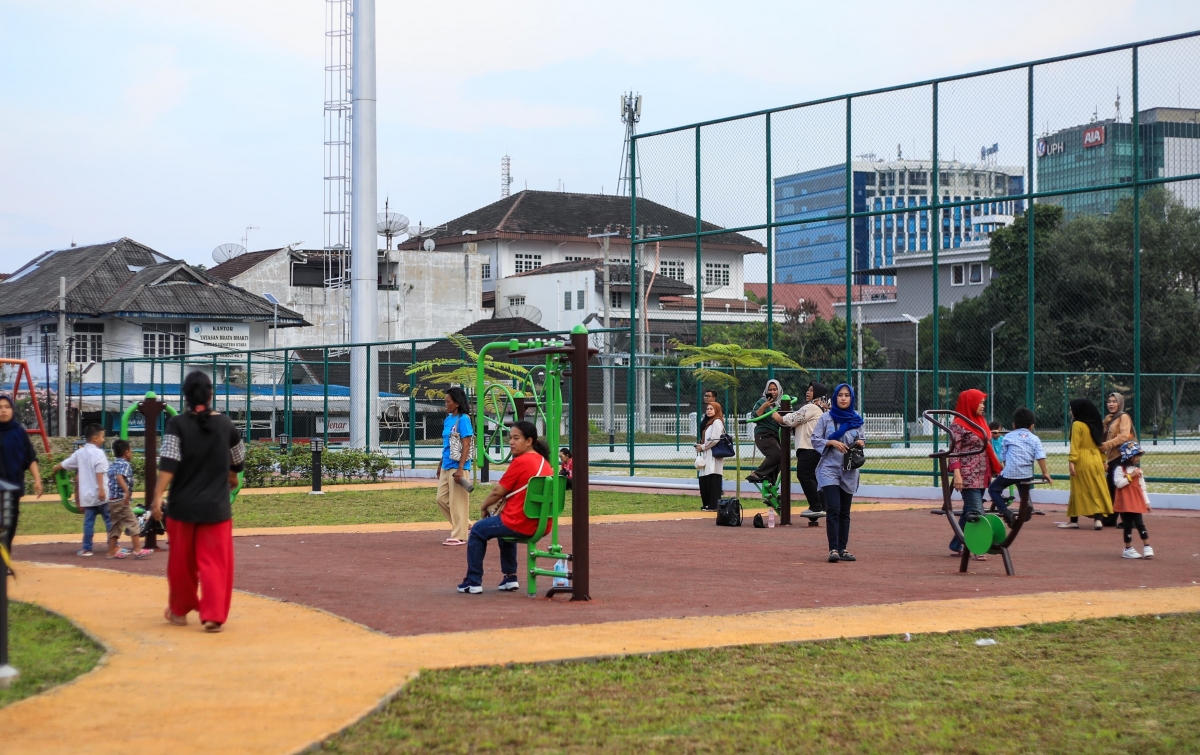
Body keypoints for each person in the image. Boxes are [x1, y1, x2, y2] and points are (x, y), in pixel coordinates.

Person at [151, 371, 246, 632]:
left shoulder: (177, 425)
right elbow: (238, 461)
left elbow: (169, 463)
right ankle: (213, 615)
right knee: (215, 563)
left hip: (182, 508)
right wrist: (231, 476)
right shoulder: (226, 425)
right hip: (216, 509)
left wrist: (157, 496)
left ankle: (180, 612)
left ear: (185, 396)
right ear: (211, 394)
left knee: (181, 562)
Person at [458, 420, 551, 594]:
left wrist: (484, 506)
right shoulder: (545, 463)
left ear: (529, 441)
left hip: (519, 522)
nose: (511, 442)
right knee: (502, 532)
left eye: (516, 438)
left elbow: (497, 492)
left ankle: (473, 581)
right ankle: (510, 578)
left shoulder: (521, 461)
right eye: (510, 438)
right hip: (541, 524)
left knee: (478, 529)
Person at [946, 389, 1003, 558]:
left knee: (968, 511)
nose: (982, 405)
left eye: (983, 402)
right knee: (977, 511)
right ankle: (979, 546)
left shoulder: (980, 422)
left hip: (983, 473)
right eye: (980, 402)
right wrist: (957, 474)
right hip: (968, 475)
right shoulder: (958, 424)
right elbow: (954, 450)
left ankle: (957, 543)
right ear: (969, 403)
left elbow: (985, 443)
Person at [811, 384, 865, 563]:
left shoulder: (857, 419)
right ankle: (833, 549)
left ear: (851, 398)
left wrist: (860, 443)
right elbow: (815, 439)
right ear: (835, 398)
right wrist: (832, 443)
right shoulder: (826, 418)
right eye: (840, 395)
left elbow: (862, 438)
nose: (843, 398)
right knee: (833, 507)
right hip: (829, 468)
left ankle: (843, 548)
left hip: (848, 470)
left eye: (847, 395)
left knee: (845, 511)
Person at [54, 423, 110, 557]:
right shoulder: (99, 453)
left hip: (87, 496)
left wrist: (55, 469)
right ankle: (114, 546)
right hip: (102, 494)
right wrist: (101, 490)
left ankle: (86, 548)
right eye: (102, 437)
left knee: (88, 523)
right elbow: (100, 472)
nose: (103, 440)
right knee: (109, 520)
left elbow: (65, 464)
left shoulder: (79, 453)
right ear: (96, 438)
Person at [772, 382, 830, 512]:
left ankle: (816, 506)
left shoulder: (811, 407)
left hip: (808, 447)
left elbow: (793, 418)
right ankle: (823, 506)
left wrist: (777, 417)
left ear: (818, 394)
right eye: (808, 390)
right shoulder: (822, 408)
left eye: (811, 390)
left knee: (804, 475)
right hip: (816, 448)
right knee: (813, 477)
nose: (807, 392)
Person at [1061, 398, 1114, 530]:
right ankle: (1098, 520)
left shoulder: (1077, 424)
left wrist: (1072, 461)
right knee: (1096, 488)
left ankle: (1074, 520)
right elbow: (1099, 443)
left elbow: (1075, 445)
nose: (1071, 412)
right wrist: (1103, 461)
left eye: (1072, 409)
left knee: (1077, 489)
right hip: (1095, 459)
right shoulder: (1096, 424)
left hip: (1082, 460)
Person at [0, 395, 43, 553]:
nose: (3, 410)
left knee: (10, 525)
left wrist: (37, 480)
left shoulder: (19, 432)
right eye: (0, 407)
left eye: (7, 407)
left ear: (12, 409)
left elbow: (30, 458)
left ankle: (4, 562)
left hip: (13, 488)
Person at [987, 407, 1053, 512]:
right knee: (1023, 486)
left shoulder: (1008, 437)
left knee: (993, 489)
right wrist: (1045, 473)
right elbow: (1040, 455)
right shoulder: (1034, 439)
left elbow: (1004, 456)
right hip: (1026, 474)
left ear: (1014, 425)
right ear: (1032, 426)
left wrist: (1006, 468)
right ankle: (1025, 504)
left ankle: (1005, 511)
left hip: (1010, 472)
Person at [437, 387, 474, 546]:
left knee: (458, 501)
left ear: (457, 403)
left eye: (448, 401)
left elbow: (466, 444)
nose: (446, 404)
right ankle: (465, 525)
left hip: (458, 467)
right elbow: (447, 444)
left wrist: (460, 468)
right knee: (441, 499)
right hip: (446, 465)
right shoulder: (448, 420)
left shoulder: (463, 419)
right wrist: (440, 464)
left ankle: (460, 535)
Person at [104, 439, 150, 560]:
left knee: (115, 526)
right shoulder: (124, 464)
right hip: (121, 500)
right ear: (126, 452)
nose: (132, 453)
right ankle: (137, 550)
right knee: (133, 523)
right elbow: (120, 477)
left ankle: (111, 552)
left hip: (112, 501)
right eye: (131, 451)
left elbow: (113, 476)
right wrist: (126, 492)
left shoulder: (113, 464)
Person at [1112, 441, 1153, 559]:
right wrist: (1131, 476)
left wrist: (1147, 502)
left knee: (1140, 524)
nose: (1138, 458)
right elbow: (1119, 484)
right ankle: (1128, 549)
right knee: (1127, 525)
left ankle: (1147, 546)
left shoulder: (1138, 471)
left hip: (1136, 501)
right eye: (1136, 456)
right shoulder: (1120, 469)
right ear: (1128, 456)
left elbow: (1142, 487)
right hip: (1125, 503)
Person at [1100, 392, 1135, 505]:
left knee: (1117, 486)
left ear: (1120, 403)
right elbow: (1101, 436)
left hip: (1120, 456)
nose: (1111, 404)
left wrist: (1107, 445)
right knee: (1111, 486)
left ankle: (1123, 518)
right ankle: (1112, 516)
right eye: (1109, 402)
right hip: (1111, 457)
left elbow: (1124, 436)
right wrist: (1104, 424)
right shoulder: (1110, 419)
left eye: (1114, 402)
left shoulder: (1123, 417)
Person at [747, 379, 783, 485]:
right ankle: (757, 474)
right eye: (770, 389)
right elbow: (755, 416)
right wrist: (765, 406)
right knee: (777, 454)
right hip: (764, 434)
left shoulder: (783, 402)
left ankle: (771, 483)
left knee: (781, 460)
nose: (772, 392)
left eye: (775, 389)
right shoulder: (762, 401)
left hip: (778, 435)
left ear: (779, 390)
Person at [694, 401, 726, 513]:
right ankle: (707, 504)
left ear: (716, 410)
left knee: (713, 478)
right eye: (707, 409)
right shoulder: (708, 423)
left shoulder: (717, 422)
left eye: (711, 409)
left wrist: (702, 447)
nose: (708, 411)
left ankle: (713, 505)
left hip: (714, 455)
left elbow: (715, 439)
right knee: (705, 478)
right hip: (707, 455)